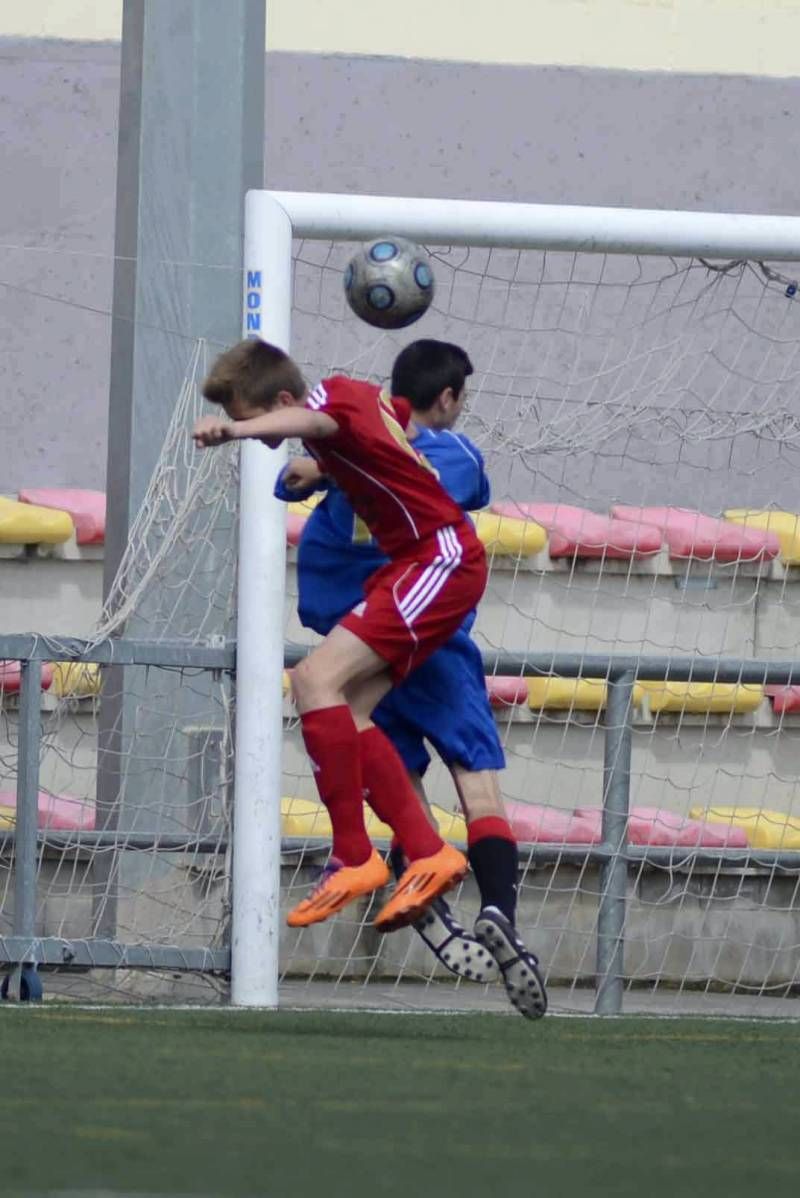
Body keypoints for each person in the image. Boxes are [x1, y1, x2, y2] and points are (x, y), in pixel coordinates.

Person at [275, 340, 547, 1020]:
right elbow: (461, 483)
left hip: (352, 630)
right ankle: (498, 912)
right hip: (425, 630)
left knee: (378, 753)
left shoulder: (344, 447)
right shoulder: (450, 457)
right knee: (476, 779)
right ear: (448, 398)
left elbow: (289, 480)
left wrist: (320, 469)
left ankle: (418, 876)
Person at [193, 337, 485, 935]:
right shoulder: (356, 408)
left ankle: (355, 855)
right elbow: (392, 427)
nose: (257, 430)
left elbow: (314, 416)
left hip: (438, 559)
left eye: (250, 417)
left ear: (277, 399)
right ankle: (425, 852)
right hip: (414, 564)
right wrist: (327, 468)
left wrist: (235, 435)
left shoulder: (329, 402)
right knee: (347, 708)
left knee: (311, 678)